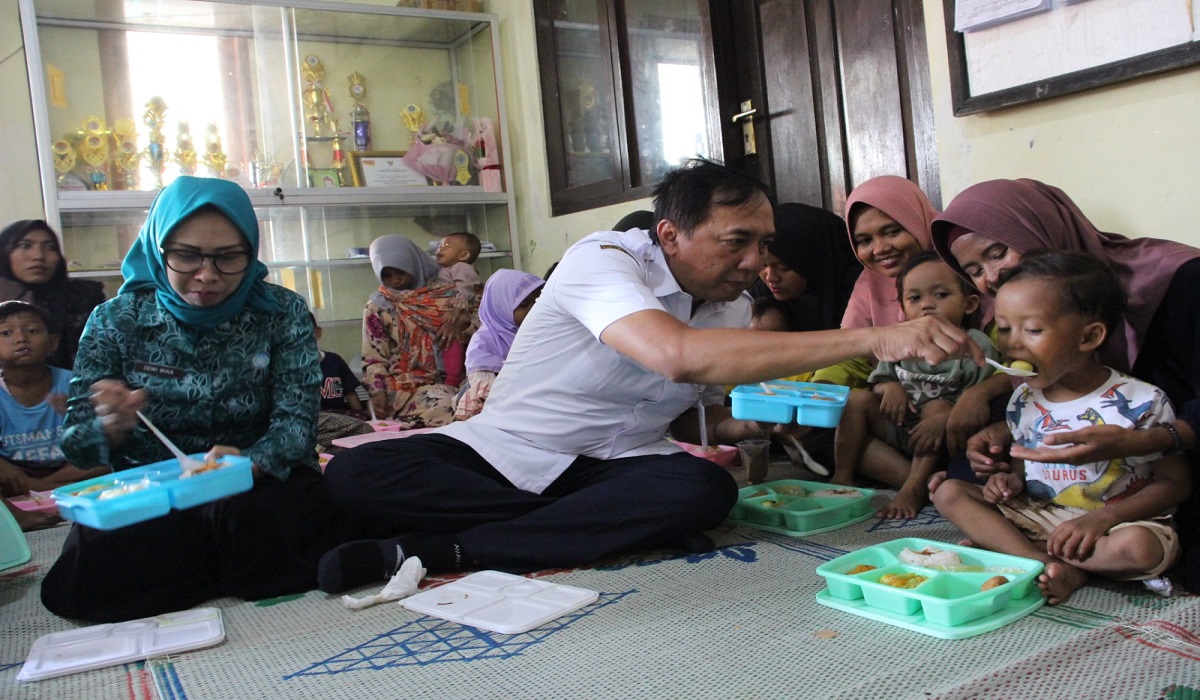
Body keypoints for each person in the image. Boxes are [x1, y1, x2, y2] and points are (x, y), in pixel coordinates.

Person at [314, 158, 982, 594]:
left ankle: (442, 547)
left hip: (617, 465)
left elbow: (706, 410)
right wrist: (878, 334)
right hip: (504, 451)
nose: (757, 260)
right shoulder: (601, 259)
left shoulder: (729, 302)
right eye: (737, 241)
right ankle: (571, 528)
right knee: (356, 472)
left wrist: (752, 422)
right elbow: (677, 356)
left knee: (702, 491)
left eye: (765, 243)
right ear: (669, 236)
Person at [40, 176, 360, 622]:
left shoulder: (280, 312)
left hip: (254, 481)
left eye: (229, 258)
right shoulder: (116, 320)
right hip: (153, 491)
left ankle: (201, 571)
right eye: (186, 255)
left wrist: (239, 467)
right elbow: (77, 445)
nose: (207, 276)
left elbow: (295, 428)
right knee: (94, 563)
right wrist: (109, 427)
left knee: (287, 514)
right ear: (158, 246)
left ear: (250, 252)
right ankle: (221, 569)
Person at [928, 178, 1200, 591]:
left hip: (1142, 484)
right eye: (974, 272)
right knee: (955, 483)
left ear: (1092, 335)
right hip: (1052, 503)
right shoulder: (1027, 384)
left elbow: (1173, 480)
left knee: (1148, 546)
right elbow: (1031, 437)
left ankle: (1026, 552)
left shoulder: (1182, 289)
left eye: (998, 252)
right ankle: (1047, 563)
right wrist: (1004, 463)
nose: (992, 278)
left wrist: (1137, 443)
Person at [833, 252, 999, 518]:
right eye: (915, 298)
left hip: (943, 438)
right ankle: (842, 476)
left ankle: (913, 488)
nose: (927, 306)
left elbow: (979, 403)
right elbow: (879, 381)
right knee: (855, 400)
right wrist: (890, 388)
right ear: (903, 308)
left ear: (969, 304)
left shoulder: (975, 344)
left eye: (941, 295)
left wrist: (945, 415)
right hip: (900, 427)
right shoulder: (902, 342)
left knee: (937, 406)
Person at [810, 176, 940, 389]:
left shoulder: (960, 270)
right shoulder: (870, 283)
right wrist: (821, 390)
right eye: (865, 241)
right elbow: (851, 354)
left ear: (918, 221)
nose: (879, 249)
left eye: (892, 232)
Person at [0, 302, 106, 503]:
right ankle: (63, 492)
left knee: (118, 451)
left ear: (53, 342)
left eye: (32, 331)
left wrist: (41, 485)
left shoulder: (76, 382)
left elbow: (102, 444)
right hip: (16, 476)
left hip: (70, 469)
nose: (21, 339)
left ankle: (49, 490)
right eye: (6, 333)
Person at [363, 234, 471, 427]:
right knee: (450, 408)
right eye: (387, 275)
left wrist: (460, 321)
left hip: (460, 378)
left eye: (401, 271)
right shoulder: (379, 306)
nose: (396, 280)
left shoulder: (449, 292)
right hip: (408, 386)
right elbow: (374, 357)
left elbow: (485, 325)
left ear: (414, 262)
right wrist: (377, 390)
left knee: (483, 405)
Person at [0, 219, 106, 370]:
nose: (38, 256)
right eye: (25, 246)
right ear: (4, 252)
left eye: (50, 247)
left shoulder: (82, 297)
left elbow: (98, 358)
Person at [453, 269, 544, 421]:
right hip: (491, 403)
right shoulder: (483, 342)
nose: (533, 309)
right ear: (501, 306)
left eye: (538, 301)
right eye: (524, 304)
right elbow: (486, 391)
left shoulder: (539, 332)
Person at [757, 202, 859, 333]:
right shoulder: (757, 297)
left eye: (783, 266)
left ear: (814, 259)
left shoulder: (859, 295)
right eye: (762, 265)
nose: (770, 277)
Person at [311, 313, 371, 453]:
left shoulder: (333, 360)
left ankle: (326, 448)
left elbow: (349, 391)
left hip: (341, 415)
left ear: (317, 333)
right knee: (360, 431)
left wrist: (359, 414)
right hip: (316, 418)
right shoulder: (291, 367)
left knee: (362, 432)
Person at [434, 231, 483, 388]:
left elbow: (466, 289)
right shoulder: (448, 268)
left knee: (450, 342)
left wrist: (456, 309)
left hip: (459, 315)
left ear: (463, 255)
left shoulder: (462, 267)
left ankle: (453, 379)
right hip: (451, 314)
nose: (440, 249)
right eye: (440, 245)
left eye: (446, 246)